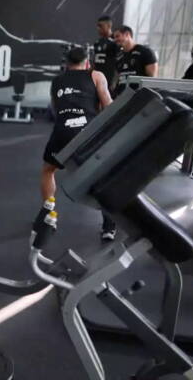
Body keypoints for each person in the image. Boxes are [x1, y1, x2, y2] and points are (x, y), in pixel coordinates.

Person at [42, 47, 116, 240]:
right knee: (104, 174)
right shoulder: (96, 75)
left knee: (48, 170)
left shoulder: (57, 81)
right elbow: (109, 107)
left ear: (67, 64)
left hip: (62, 131)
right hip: (88, 132)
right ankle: (109, 227)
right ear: (87, 62)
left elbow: (55, 110)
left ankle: (49, 214)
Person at [113, 25, 158, 96]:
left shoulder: (145, 52)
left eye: (117, 36)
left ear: (127, 34)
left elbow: (152, 79)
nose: (115, 40)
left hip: (139, 97)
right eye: (114, 37)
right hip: (121, 97)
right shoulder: (119, 56)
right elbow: (119, 78)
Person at [92, 15, 119, 92]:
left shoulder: (116, 41)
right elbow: (95, 62)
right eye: (97, 26)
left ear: (109, 26)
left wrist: (114, 82)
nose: (98, 28)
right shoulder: (98, 42)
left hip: (109, 81)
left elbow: (119, 63)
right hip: (97, 79)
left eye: (100, 26)